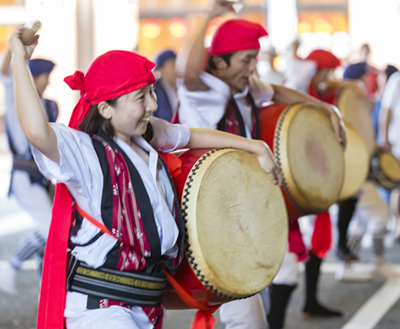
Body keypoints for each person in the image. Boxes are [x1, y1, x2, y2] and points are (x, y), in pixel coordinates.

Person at [8, 25, 282, 329]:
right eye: (141, 97)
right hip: (101, 310)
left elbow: (189, 135)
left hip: (146, 307)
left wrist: (255, 146)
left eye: (152, 92)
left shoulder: (147, 137)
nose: (152, 104)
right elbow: (36, 130)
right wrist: (19, 62)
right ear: (105, 108)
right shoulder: (84, 152)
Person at [176, 1, 346, 328]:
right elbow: (187, 69)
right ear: (220, 62)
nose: (252, 67)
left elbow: (278, 92)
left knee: (259, 300)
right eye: (245, 60)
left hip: (245, 206)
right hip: (215, 214)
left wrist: (327, 110)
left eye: (254, 59)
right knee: (248, 312)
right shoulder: (204, 90)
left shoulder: (246, 88)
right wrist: (209, 15)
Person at [0, 47, 58, 295]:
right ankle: (10, 266)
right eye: (46, 75)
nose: (49, 80)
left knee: (52, 232)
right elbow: (4, 73)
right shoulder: (17, 100)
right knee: (49, 228)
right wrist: (14, 48)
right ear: (35, 77)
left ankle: (47, 283)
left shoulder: (50, 106)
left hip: (44, 175)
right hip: (24, 174)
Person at [153, 50, 178, 121]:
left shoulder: (178, 87)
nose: (176, 69)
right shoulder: (155, 89)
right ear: (160, 69)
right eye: (172, 65)